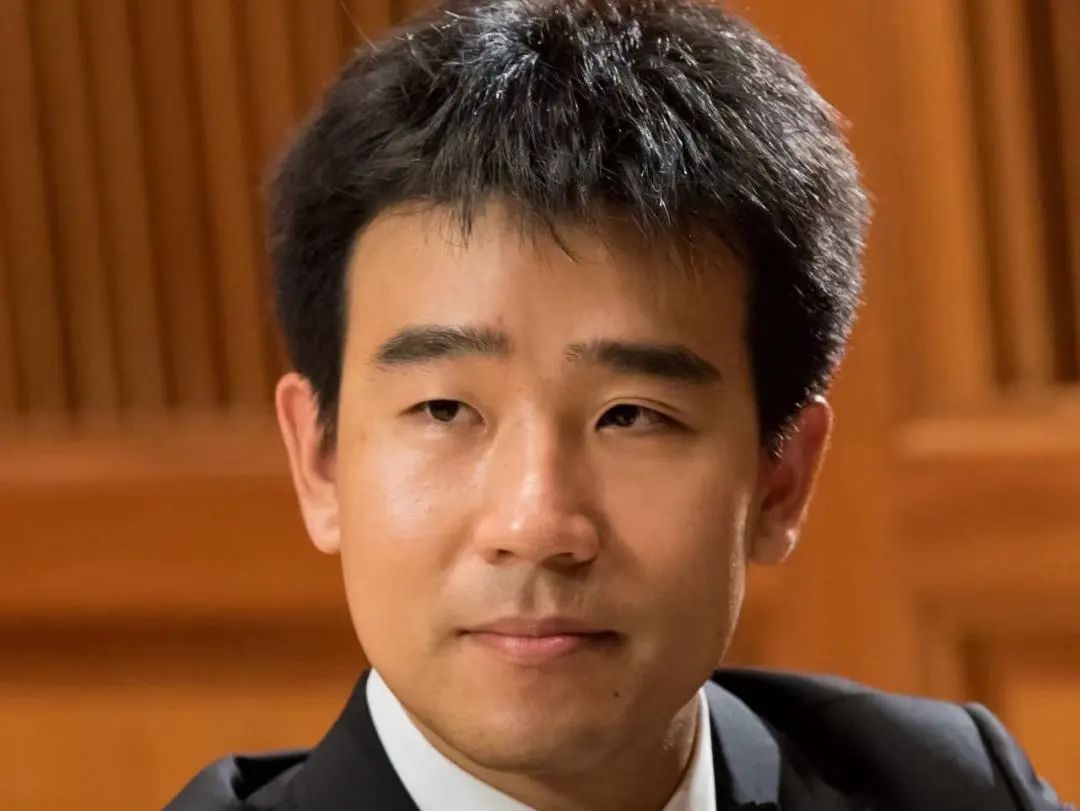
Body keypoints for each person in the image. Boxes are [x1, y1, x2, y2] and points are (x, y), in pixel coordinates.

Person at [167, 1, 1069, 808]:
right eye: (444, 409)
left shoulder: (951, 789)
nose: (536, 523)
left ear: (780, 479)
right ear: (320, 460)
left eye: (631, 414)